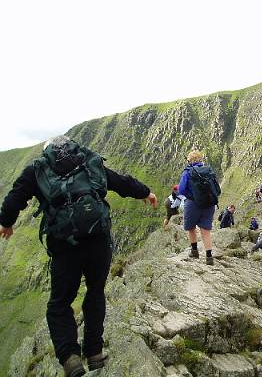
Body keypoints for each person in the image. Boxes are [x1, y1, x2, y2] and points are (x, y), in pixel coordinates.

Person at [0, 136, 158, 377]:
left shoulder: (38, 168)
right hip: (98, 240)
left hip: (65, 246)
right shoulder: (87, 161)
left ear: (48, 152)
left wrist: (6, 222)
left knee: (60, 303)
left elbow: (16, 196)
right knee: (95, 292)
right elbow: (119, 182)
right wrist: (146, 192)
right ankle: (94, 353)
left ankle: (70, 358)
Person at [178, 150, 220, 265]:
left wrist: (190, 196)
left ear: (190, 160)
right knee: (205, 231)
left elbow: (181, 190)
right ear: (201, 159)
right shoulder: (208, 170)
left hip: (192, 204)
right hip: (209, 203)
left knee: (191, 227)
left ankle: (194, 251)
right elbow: (216, 187)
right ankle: (209, 257)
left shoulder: (187, 172)